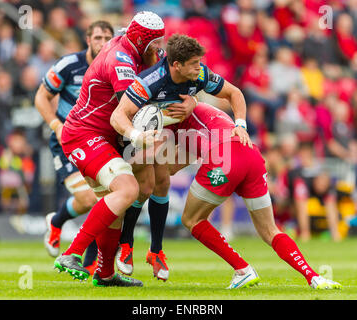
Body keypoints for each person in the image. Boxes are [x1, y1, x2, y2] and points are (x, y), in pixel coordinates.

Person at [112, 34, 342, 290]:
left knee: (192, 220)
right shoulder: (184, 108)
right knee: (270, 230)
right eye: (196, 63)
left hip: (225, 156)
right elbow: (180, 160)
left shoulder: (178, 109)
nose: (200, 68)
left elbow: (227, 98)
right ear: (176, 65)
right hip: (250, 153)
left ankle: (242, 268)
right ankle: (313, 277)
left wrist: (130, 180)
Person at [54, 11, 195, 287]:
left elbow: (169, 75)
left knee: (116, 206)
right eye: (155, 42)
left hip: (102, 136)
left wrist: (190, 100)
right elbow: (133, 111)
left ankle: (105, 274)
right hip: (86, 134)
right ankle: (71, 253)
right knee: (128, 189)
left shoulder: (133, 47)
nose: (159, 48)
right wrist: (160, 122)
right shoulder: (121, 62)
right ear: (142, 40)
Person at [35, 21, 114, 274]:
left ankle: (57, 221)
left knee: (102, 198)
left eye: (107, 38)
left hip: (98, 141)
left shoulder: (116, 67)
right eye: (98, 37)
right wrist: (56, 125)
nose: (103, 43)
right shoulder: (69, 65)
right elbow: (41, 96)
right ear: (88, 39)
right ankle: (89, 262)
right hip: (67, 140)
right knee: (92, 199)